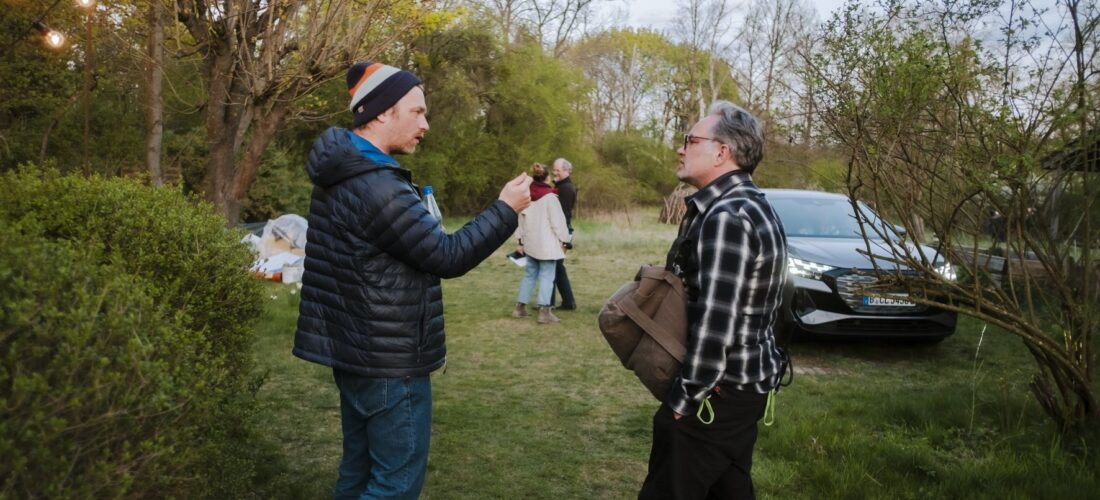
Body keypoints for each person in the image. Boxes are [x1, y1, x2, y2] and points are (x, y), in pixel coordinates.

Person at [294, 61, 532, 500]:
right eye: (418, 112)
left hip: (355, 350)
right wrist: (505, 209)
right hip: (388, 361)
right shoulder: (377, 186)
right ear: (382, 112)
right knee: (395, 485)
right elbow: (447, 255)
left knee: (358, 470)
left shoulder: (344, 171)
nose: (426, 124)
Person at [638, 101, 788, 500]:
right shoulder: (748, 203)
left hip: (717, 393)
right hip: (743, 387)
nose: (680, 149)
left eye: (690, 140)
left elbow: (717, 323)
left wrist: (684, 400)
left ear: (722, 152)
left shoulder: (727, 216)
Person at [512, 163, 572, 324]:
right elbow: (558, 223)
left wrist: (520, 241)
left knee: (529, 275)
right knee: (547, 276)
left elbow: (520, 221)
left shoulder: (526, 196)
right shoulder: (550, 198)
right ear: (546, 178)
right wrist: (566, 240)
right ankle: (545, 312)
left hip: (531, 244)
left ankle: (520, 308)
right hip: (546, 246)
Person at [550, 158, 578, 310]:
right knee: (557, 266)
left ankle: (549, 303)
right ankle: (568, 302)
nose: (554, 172)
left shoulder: (566, 188)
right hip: (561, 231)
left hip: (561, 232)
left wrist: (563, 238)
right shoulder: (561, 186)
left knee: (553, 265)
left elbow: (563, 215)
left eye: (557, 170)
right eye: (554, 169)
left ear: (566, 171)